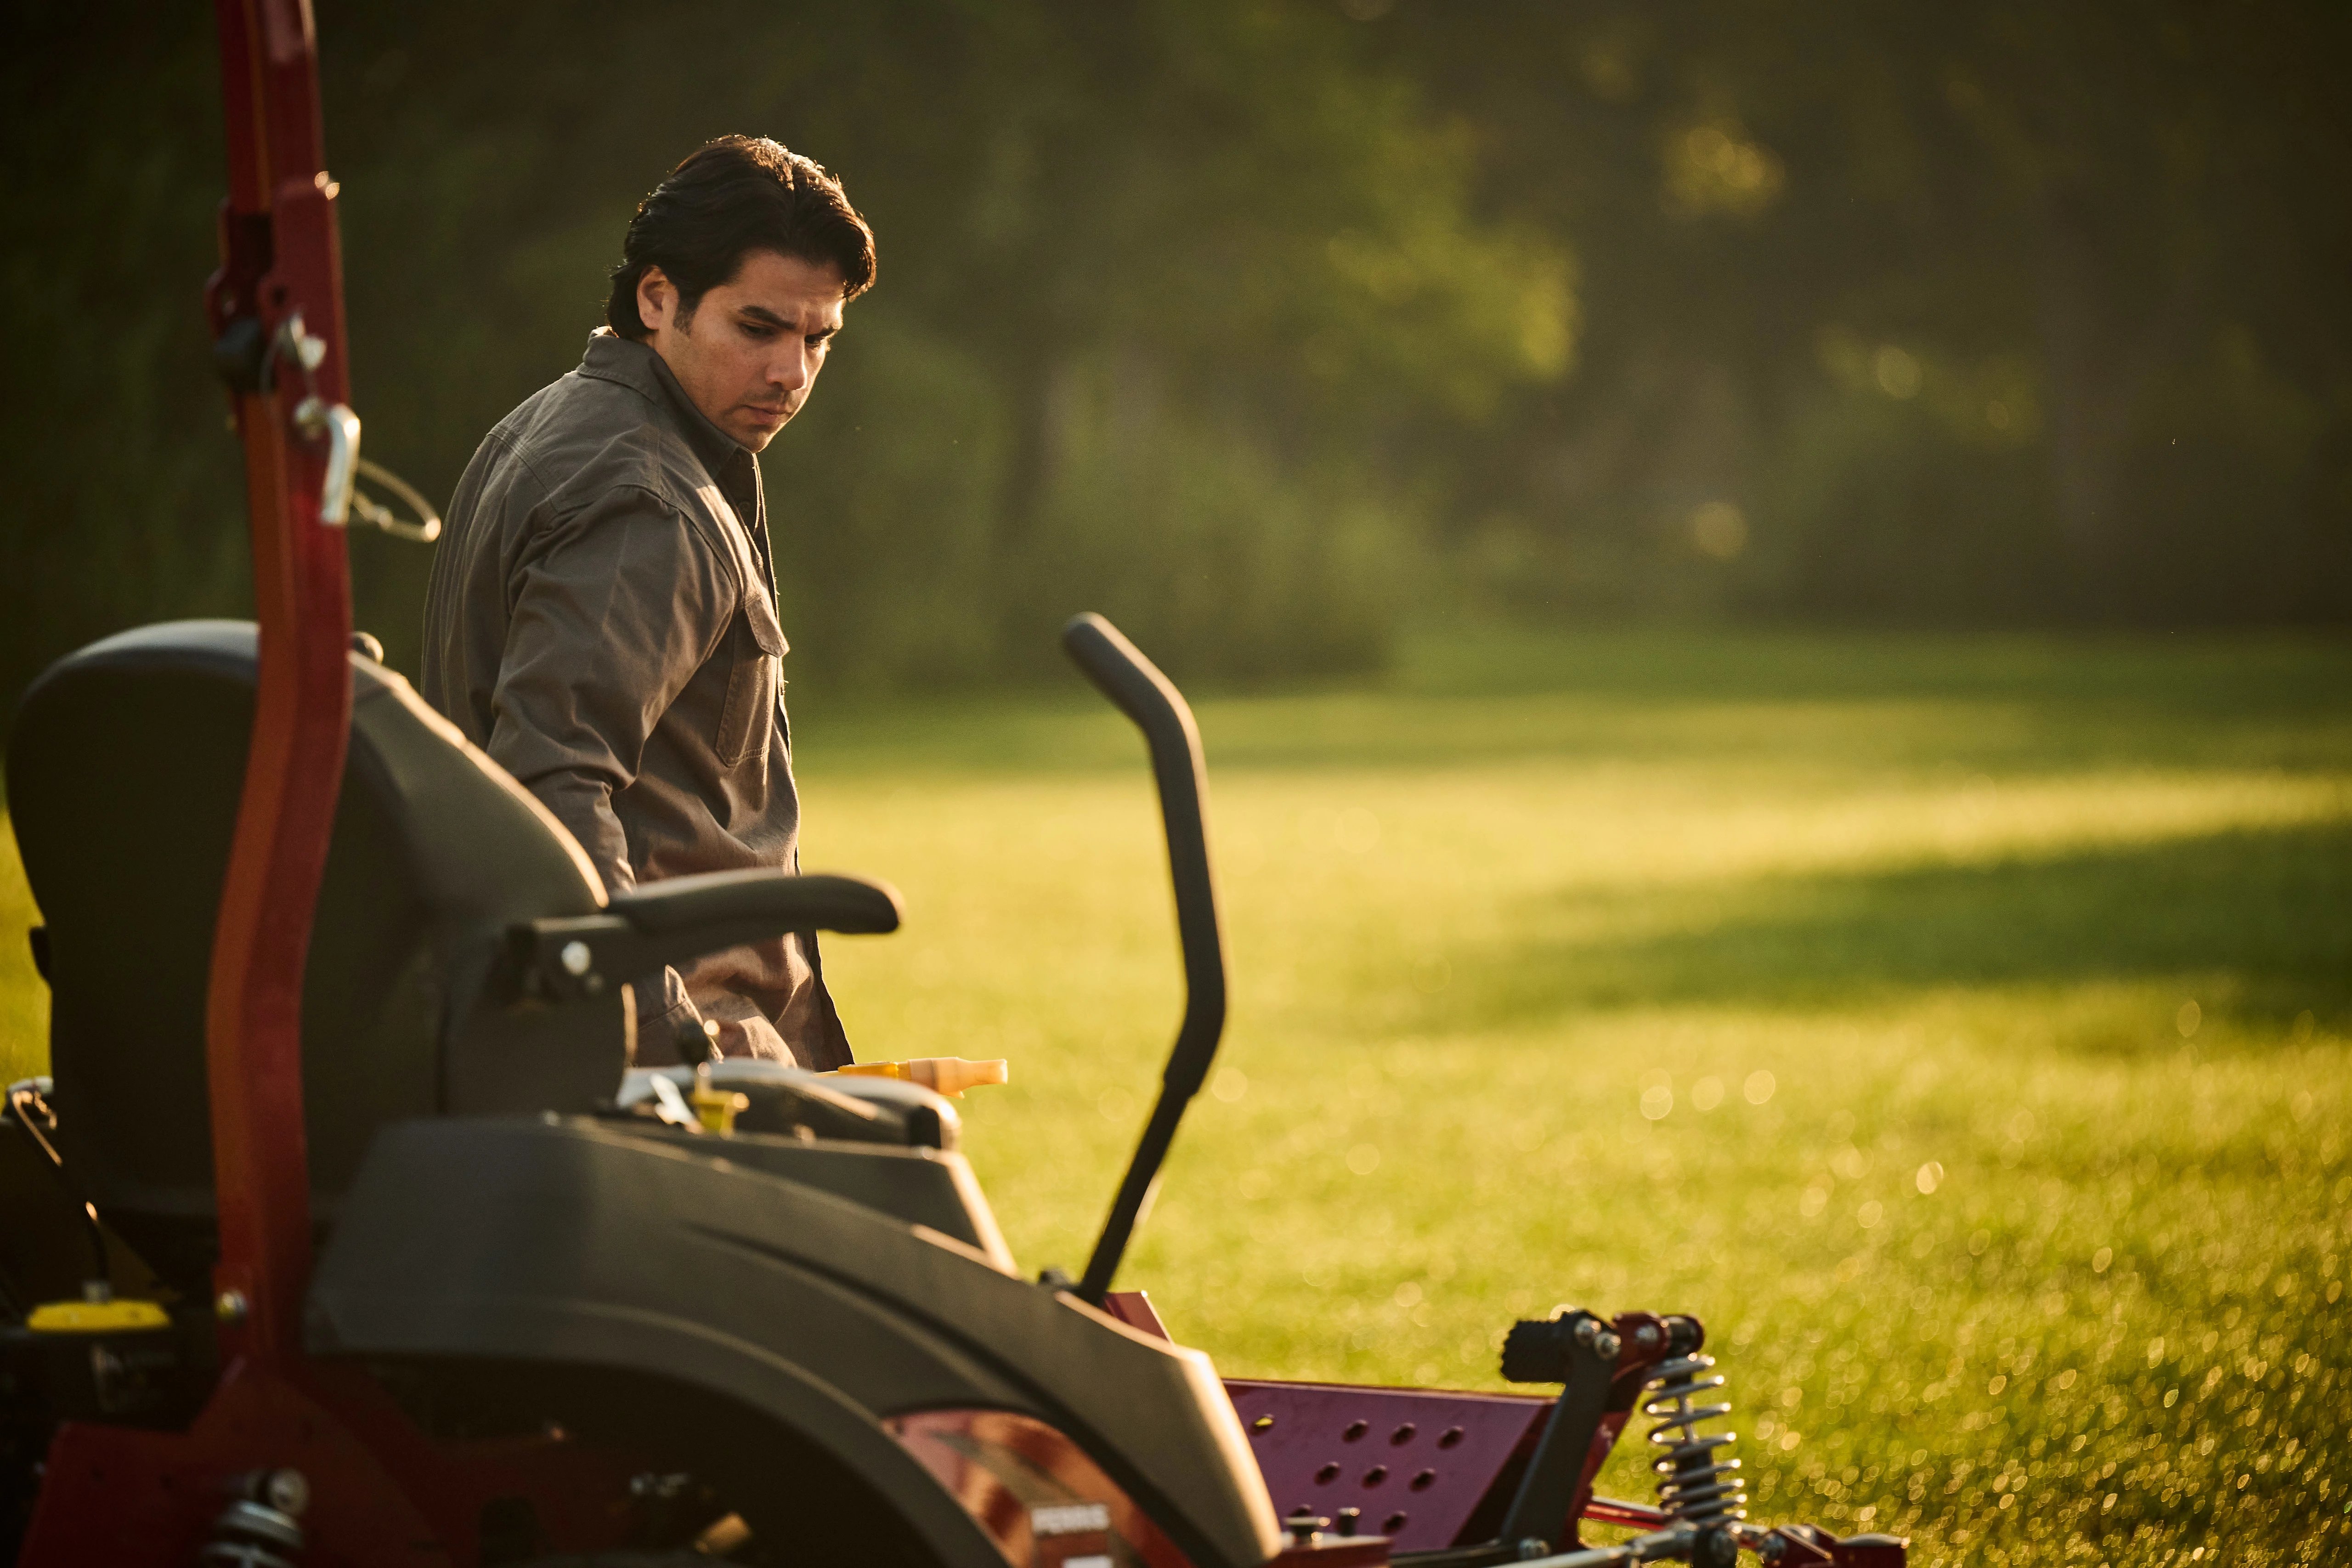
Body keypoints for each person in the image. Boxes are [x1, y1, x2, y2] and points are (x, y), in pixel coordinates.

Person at [422, 135, 875, 1068]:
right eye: (758, 328)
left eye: (816, 338)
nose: (792, 371)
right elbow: (556, 787)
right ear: (657, 298)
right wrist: (668, 1052)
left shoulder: (558, 425)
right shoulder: (644, 501)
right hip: (666, 1065)